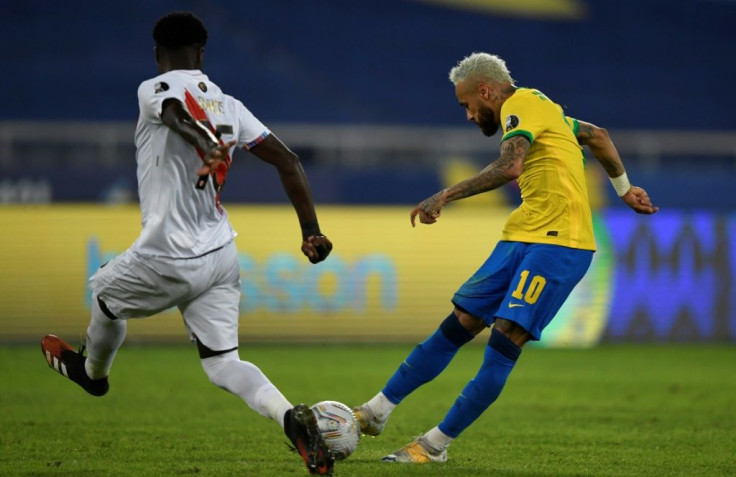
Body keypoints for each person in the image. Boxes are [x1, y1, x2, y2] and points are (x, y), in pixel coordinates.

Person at [40, 11, 335, 476]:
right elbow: (289, 161)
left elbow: (176, 114)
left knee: (105, 297)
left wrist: (206, 144)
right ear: (202, 52)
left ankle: (92, 377)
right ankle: (289, 417)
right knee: (223, 364)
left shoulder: (152, 88)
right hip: (219, 254)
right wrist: (310, 231)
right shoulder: (230, 105)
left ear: (158, 54)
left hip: (167, 255)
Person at [352, 52, 658, 463]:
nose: (468, 115)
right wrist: (623, 188)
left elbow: (510, 166)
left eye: (467, 105)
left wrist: (445, 194)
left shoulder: (520, 105)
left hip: (561, 244)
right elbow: (598, 135)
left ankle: (434, 445)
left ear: (485, 91)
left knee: (504, 338)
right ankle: (376, 412)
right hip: (521, 235)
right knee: (459, 324)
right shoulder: (547, 111)